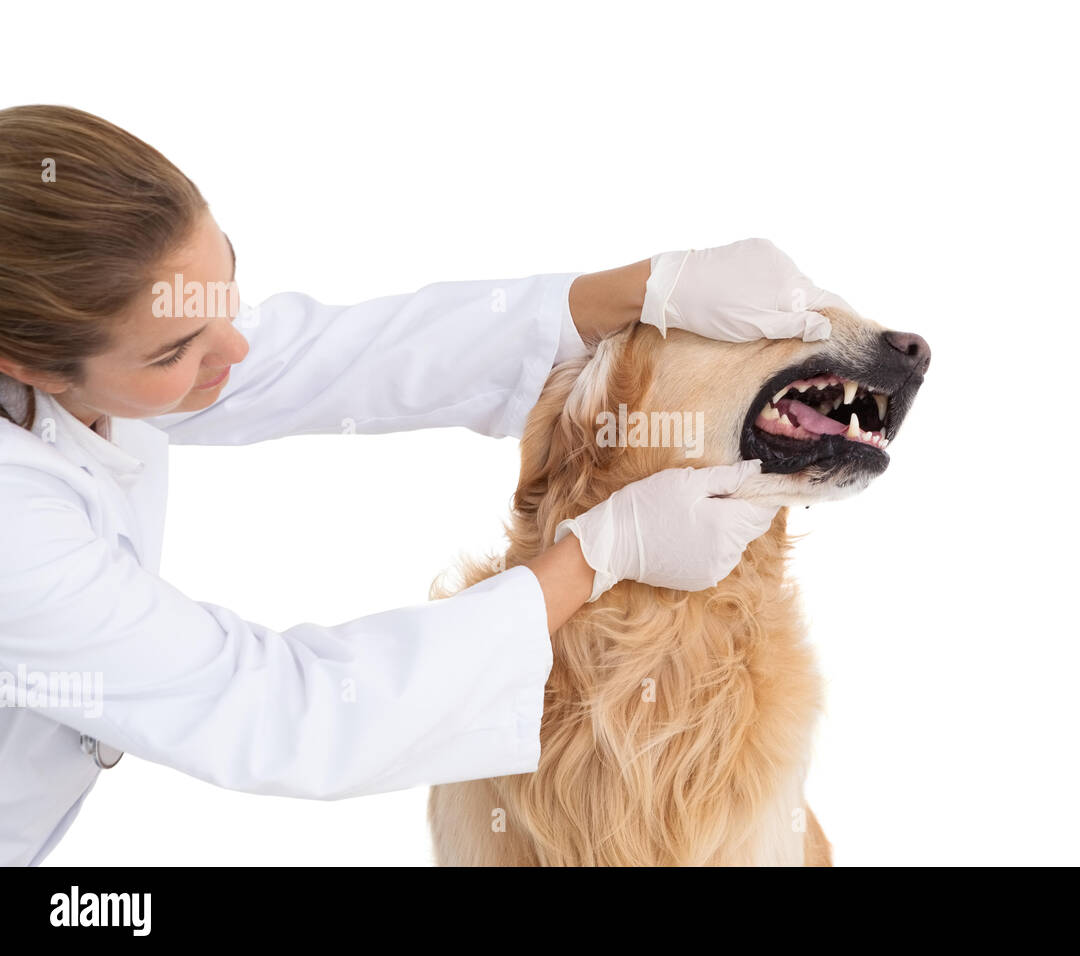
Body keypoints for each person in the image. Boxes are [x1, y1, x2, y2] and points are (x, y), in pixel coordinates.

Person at [0, 105, 848, 866]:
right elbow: (278, 709)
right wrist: (595, 554)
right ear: (25, 364)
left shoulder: (108, 340)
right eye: (175, 349)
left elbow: (314, 360)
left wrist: (630, 291)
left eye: (226, 283)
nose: (238, 349)